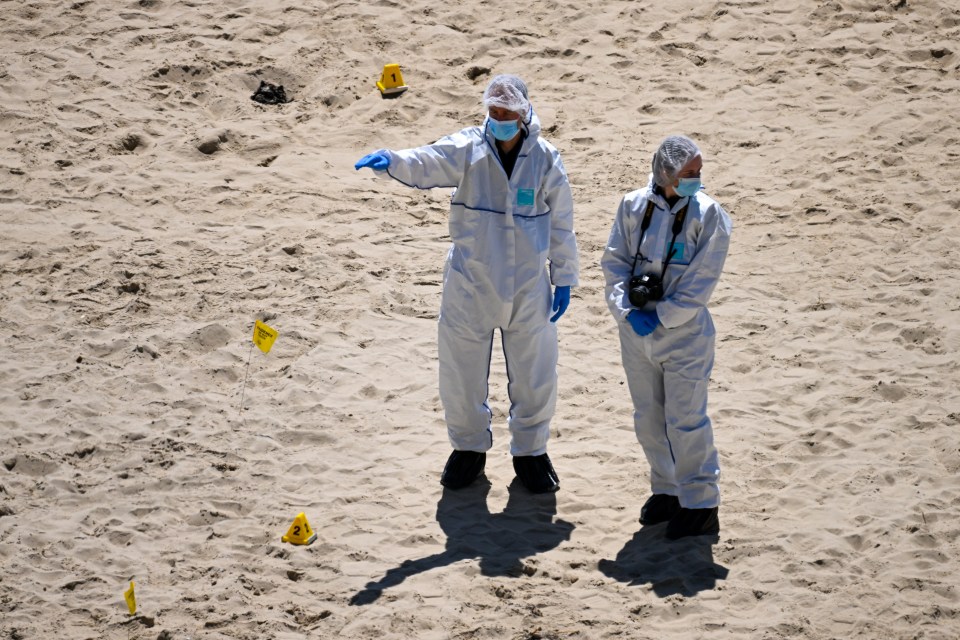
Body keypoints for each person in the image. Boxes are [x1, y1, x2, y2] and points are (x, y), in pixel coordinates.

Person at [355, 74, 579, 494]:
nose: (499, 119)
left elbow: (562, 225)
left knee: (535, 375)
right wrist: (393, 160)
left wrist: (564, 276)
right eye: (493, 112)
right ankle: (468, 451)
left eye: (507, 113)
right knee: (461, 372)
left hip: (529, 288)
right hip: (470, 283)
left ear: (524, 113)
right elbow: (428, 159)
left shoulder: (546, 160)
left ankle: (531, 453)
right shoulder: (469, 149)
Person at [600, 135, 732, 539]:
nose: (696, 179)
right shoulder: (632, 205)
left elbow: (699, 285)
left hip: (684, 334)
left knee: (686, 420)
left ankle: (701, 503)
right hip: (635, 331)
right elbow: (614, 262)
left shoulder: (709, 215)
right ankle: (667, 488)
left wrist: (662, 316)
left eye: (698, 172)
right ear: (664, 172)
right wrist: (626, 310)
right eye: (688, 173)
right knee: (649, 418)